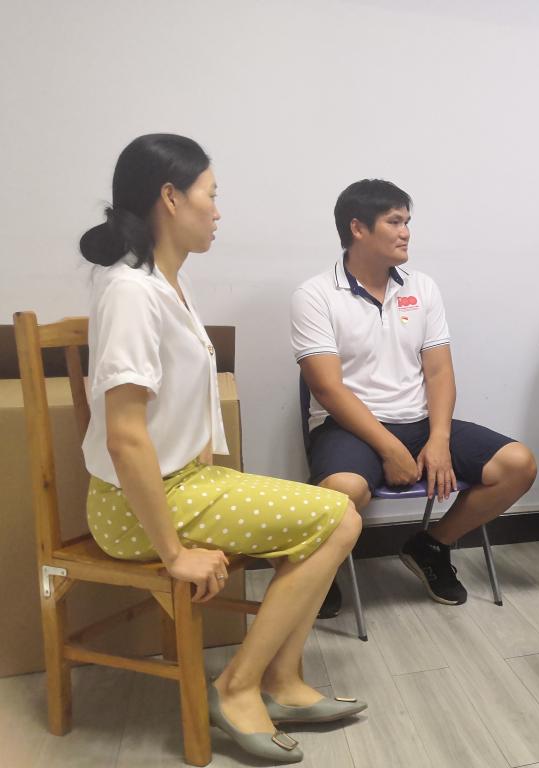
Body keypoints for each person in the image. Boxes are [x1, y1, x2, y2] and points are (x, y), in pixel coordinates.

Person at [79, 134, 364, 763]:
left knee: (336, 519)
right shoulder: (131, 292)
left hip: (181, 484)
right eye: (210, 195)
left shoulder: (165, 283)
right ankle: (238, 687)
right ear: (170, 197)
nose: (217, 211)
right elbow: (125, 436)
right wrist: (174, 552)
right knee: (338, 518)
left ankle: (280, 681)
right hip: (134, 506)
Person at [291, 179, 536, 609]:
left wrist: (439, 439)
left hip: (419, 423)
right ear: (358, 228)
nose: (406, 232)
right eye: (394, 222)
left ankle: (431, 545)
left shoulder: (421, 288)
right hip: (349, 428)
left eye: (407, 222)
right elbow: (327, 388)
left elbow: (439, 372)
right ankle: (319, 567)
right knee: (345, 489)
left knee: (518, 465)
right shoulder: (315, 295)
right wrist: (389, 448)